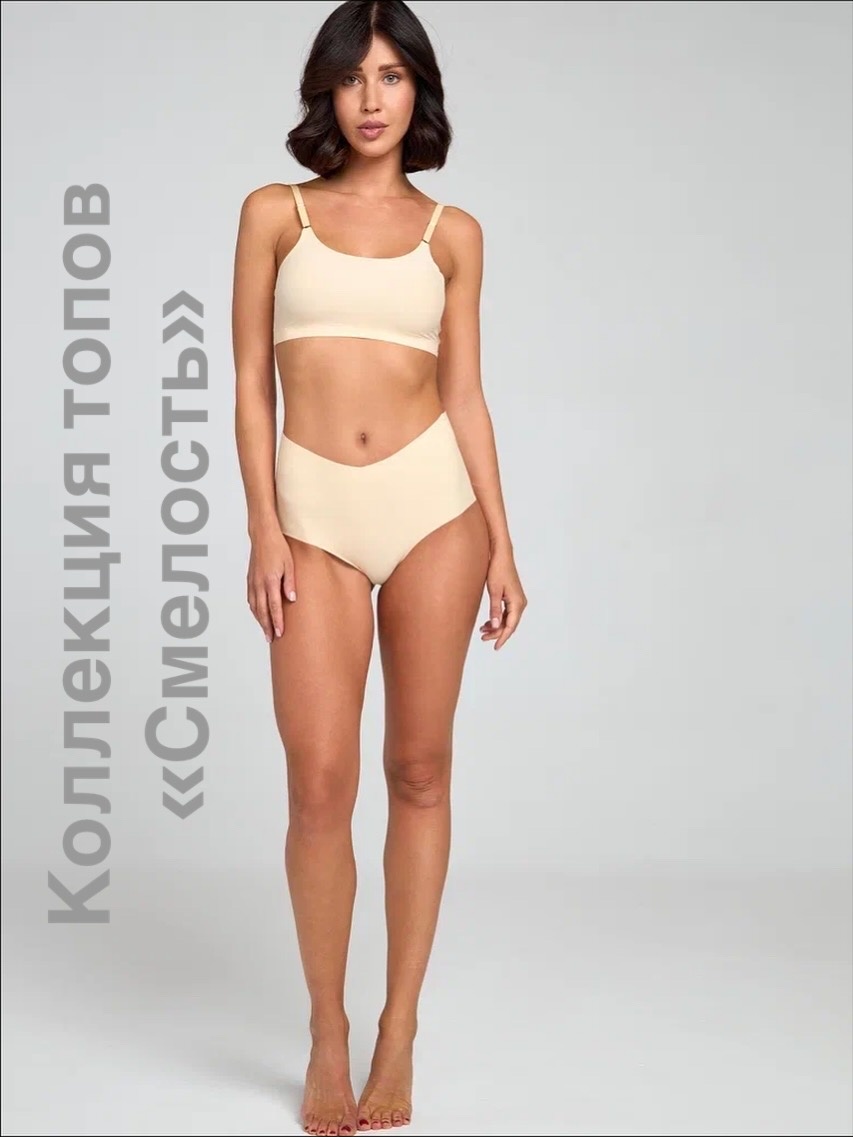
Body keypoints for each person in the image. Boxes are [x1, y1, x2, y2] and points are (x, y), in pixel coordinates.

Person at [231, 2, 527, 1132]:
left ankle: (399, 1028)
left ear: (419, 93)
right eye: (353, 77)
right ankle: (328, 1029)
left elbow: (465, 394)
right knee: (318, 782)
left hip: (434, 509)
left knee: (419, 769)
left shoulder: (454, 233)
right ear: (326, 89)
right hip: (310, 512)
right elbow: (250, 381)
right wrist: (263, 527)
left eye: (393, 76)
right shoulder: (275, 213)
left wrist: (502, 539)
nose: (371, 98)